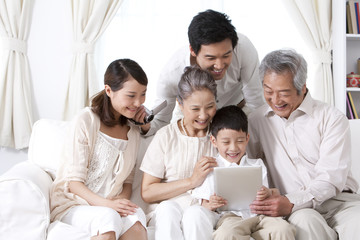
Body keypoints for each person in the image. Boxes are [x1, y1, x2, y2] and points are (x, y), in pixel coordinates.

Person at [246, 49, 360, 240]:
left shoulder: (331, 118)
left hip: (340, 202)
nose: (275, 100)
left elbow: (330, 178)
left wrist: (291, 201)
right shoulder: (257, 121)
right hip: (298, 210)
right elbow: (248, 166)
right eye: (268, 91)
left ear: (303, 87)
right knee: (305, 222)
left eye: (283, 93)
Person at [50, 59, 149, 240]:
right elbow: (74, 184)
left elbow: (127, 181)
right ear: (109, 90)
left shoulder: (133, 131)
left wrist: (121, 202)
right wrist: (107, 205)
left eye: (143, 94)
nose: (138, 102)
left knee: (136, 218)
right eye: (131, 95)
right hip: (74, 204)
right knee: (108, 218)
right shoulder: (86, 120)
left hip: (109, 205)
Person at [141, 9, 264, 136]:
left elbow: (256, 99)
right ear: (193, 50)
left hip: (237, 112)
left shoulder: (243, 48)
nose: (220, 65)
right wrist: (144, 125)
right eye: (211, 58)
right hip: (193, 120)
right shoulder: (172, 74)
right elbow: (160, 120)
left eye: (226, 55)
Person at [190, 105, 296, 240]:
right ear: (214, 141)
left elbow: (267, 193)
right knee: (226, 234)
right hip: (231, 217)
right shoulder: (211, 167)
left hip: (260, 215)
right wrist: (211, 204)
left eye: (240, 141)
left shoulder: (257, 164)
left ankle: (254, 236)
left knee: (283, 228)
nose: (233, 148)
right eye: (226, 142)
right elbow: (203, 204)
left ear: (247, 139)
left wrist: (267, 193)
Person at [140, 66, 218, 240]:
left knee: (195, 215)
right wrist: (192, 181)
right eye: (195, 109)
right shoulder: (165, 136)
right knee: (168, 210)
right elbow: (148, 192)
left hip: (204, 211)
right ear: (180, 104)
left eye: (210, 107)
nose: (204, 115)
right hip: (168, 209)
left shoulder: (221, 135)